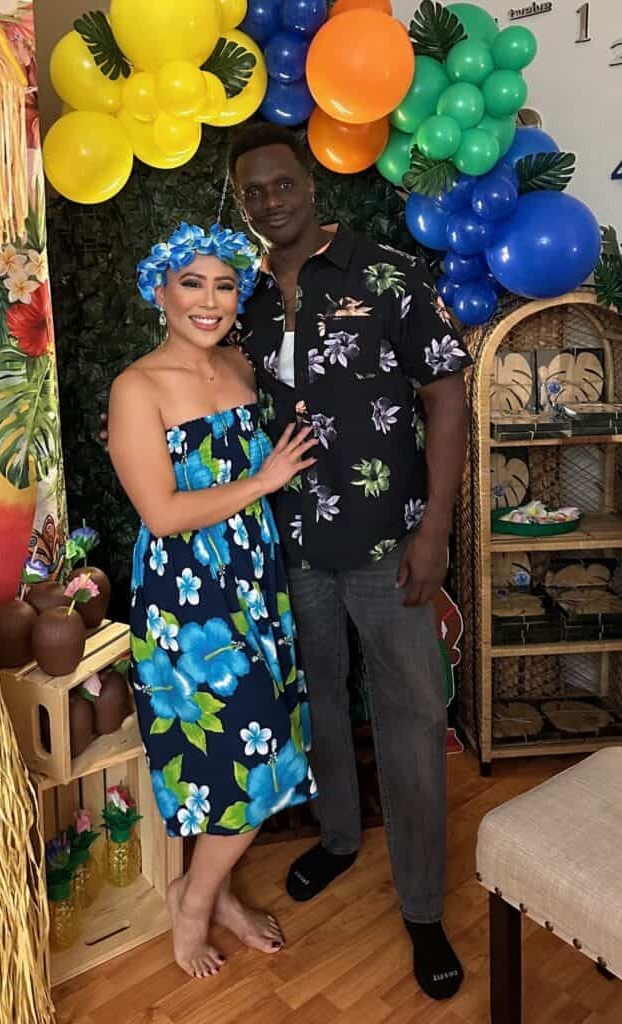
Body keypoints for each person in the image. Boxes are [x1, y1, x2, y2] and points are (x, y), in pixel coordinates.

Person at [226, 123, 471, 1002]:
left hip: (389, 542)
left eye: (281, 184)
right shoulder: (241, 297)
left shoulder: (389, 273)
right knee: (317, 696)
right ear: (243, 202)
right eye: (252, 191)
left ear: (311, 185)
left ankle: (420, 907)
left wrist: (436, 529)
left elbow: (445, 398)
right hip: (291, 546)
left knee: (409, 715)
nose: (269, 200)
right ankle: (335, 835)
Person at [107, 223, 319, 980]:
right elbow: (162, 514)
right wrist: (265, 482)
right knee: (246, 755)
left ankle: (214, 890)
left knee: (259, 749)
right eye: (190, 283)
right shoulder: (137, 387)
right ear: (158, 291)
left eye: (224, 284)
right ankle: (193, 904)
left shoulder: (241, 365)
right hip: (188, 598)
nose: (209, 300)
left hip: (255, 582)